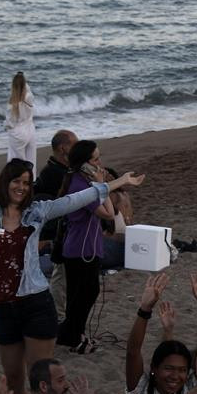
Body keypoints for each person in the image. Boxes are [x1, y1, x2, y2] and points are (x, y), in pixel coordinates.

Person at [0, 104, 141, 392]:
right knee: (14, 380)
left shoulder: (36, 212)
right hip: (4, 307)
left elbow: (75, 200)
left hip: (36, 303)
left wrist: (117, 182)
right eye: (16, 181)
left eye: (26, 182)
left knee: (42, 379)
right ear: (5, 183)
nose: (21, 187)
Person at [51, 138, 121, 354]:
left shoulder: (85, 182)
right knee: (82, 294)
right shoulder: (80, 186)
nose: (100, 163)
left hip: (88, 248)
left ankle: (74, 334)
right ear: (84, 163)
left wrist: (100, 185)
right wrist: (102, 186)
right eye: (96, 159)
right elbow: (109, 213)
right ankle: (72, 336)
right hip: (79, 250)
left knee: (83, 294)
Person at [4, 70, 37, 167]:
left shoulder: (12, 103)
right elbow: (26, 87)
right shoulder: (29, 97)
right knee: (31, 161)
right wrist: (22, 78)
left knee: (16, 164)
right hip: (30, 130)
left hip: (18, 133)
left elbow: (10, 123)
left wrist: (6, 126)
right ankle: (32, 180)